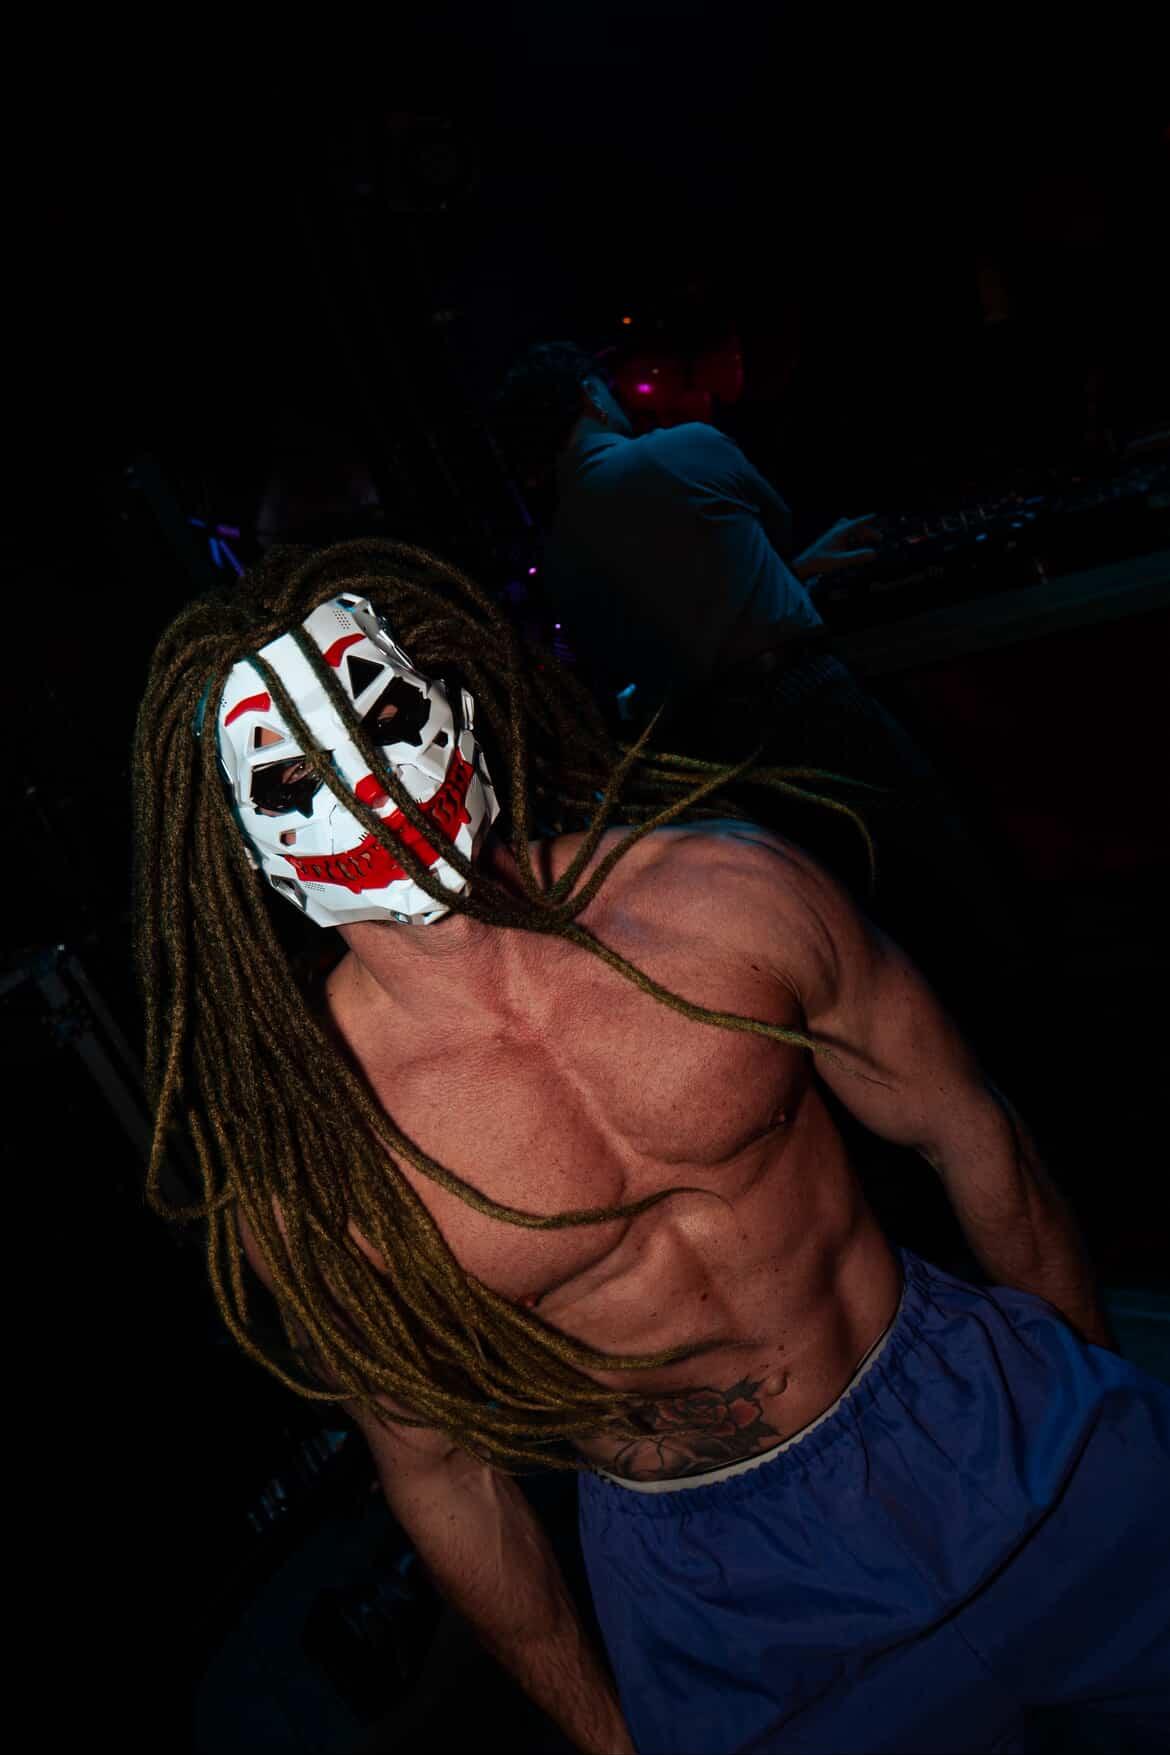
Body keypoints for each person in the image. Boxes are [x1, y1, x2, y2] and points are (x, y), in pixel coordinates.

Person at [134, 540, 1168, 1755]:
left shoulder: (724, 896)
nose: (371, 793)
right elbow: (440, 1473)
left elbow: (969, 1132)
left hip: (976, 1408)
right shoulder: (316, 1160)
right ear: (246, 847)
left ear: (453, 702)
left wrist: (1088, 1403)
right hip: (718, 1580)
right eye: (297, 774)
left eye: (386, 716)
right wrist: (610, 1740)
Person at [490, 342, 1015, 1054]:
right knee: (934, 869)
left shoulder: (559, 555)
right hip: (801, 693)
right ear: (589, 393)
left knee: (836, 918)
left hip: (707, 747)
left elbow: (660, 639)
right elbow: (766, 531)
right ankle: (1013, 1028)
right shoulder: (685, 447)